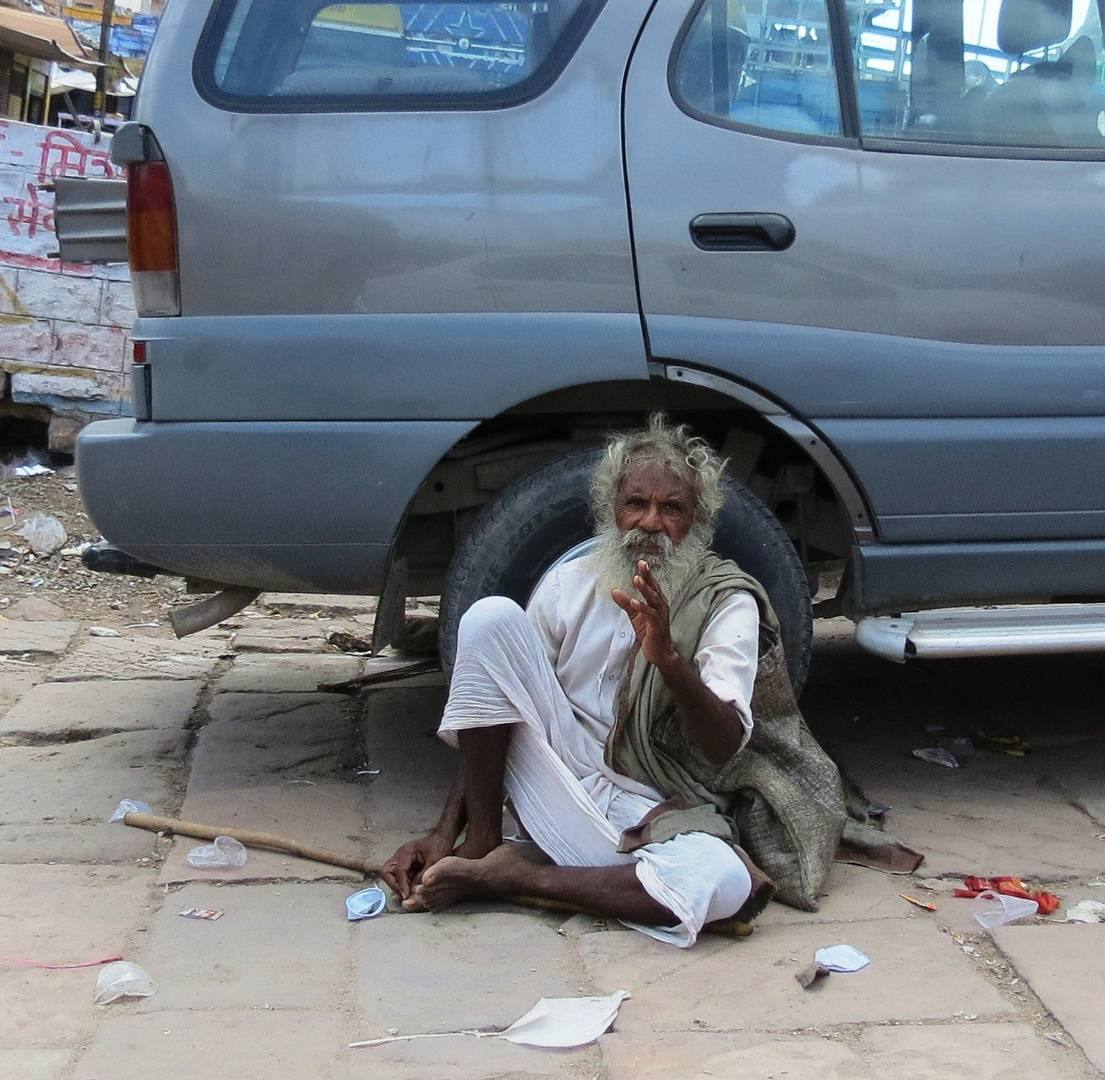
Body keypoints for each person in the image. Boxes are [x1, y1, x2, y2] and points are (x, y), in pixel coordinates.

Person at [380, 416, 842, 947]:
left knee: (726, 881)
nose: (650, 522)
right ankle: (482, 842)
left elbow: (722, 747)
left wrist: (668, 658)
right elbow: (495, 696)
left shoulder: (726, 603)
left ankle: (513, 876)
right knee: (488, 619)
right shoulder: (569, 583)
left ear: (698, 522)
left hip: (644, 803)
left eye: (672, 509)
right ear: (612, 511)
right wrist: (442, 832)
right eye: (636, 504)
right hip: (551, 774)